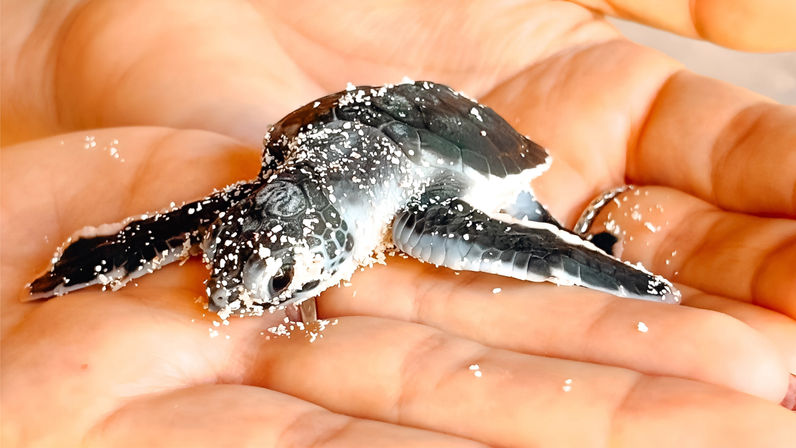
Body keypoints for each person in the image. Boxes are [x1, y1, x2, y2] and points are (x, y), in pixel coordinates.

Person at [2, 1, 794, 445]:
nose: (231, 299)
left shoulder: (418, 214)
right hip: (336, 134)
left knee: (536, 242)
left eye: (271, 281)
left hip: (454, 152)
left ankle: (610, 259)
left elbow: (514, 234)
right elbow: (210, 219)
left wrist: (618, 279)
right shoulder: (267, 187)